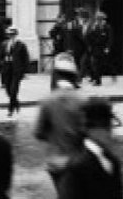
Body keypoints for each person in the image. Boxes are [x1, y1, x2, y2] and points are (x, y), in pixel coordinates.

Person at [34, 52, 85, 194]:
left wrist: (53, 136)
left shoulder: (48, 101)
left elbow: (38, 133)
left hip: (54, 162)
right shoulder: (82, 102)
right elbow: (87, 133)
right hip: (77, 162)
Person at [58, 96, 123, 199]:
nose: (111, 133)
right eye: (109, 127)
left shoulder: (112, 161)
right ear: (93, 130)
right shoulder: (76, 167)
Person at [0, 25, 30, 116]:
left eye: (13, 34)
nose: (11, 36)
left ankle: (10, 110)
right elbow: (0, 56)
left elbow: (26, 58)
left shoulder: (21, 45)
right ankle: (16, 103)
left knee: (13, 90)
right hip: (7, 68)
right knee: (8, 90)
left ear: (16, 35)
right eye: (9, 34)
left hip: (17, 70)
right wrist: (2, 64)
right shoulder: (4, 44)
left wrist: (24, 72)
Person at [84, 12, 112, 86]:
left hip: (103, 49)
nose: (99, 20)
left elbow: (110, 39)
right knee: (95, 64)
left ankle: (98, 78)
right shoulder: (94, 27)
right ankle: (97, 80)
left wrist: (107, 47)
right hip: (95, 48)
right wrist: (89, 45)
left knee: (101, 65)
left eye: (101, 19)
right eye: (98, 19)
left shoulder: (107, 27)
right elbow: (88, 37)